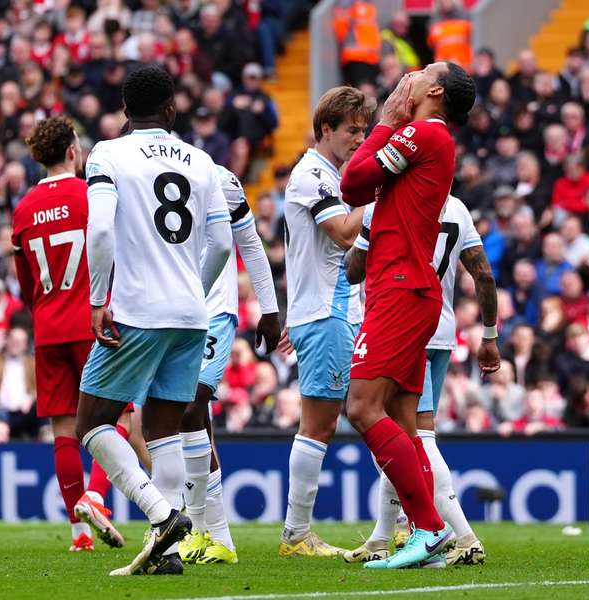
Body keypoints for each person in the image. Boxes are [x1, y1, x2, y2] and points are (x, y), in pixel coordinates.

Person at [76, 65, 232, 577]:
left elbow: (99, 233)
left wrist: (99, 299)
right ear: (171, 109)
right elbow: (224, 244)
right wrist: (195, 289)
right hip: (191, 314)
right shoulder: (203, 162)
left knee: (92, 420)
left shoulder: (108, 154)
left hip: (137, 310)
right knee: (164, 429)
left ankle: (162, 515)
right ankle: (164, 554)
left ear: (125, 111)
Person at [339, 63, 476, 570]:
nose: (407, 78)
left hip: (401, 288)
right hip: (406, 289)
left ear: (434, 91)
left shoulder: (422, 133)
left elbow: (352, 183)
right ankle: (429, 537)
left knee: (362, 408)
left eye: (420, 73)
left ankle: (432, 529)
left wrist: (386, 122)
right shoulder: (424, 138)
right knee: (402, 419)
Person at [343, 195, 499, 567]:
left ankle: (462, 535)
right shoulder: (459, 207)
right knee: (402, 432)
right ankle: (383, 536)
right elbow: (484, 276)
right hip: (441, 327)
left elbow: (353, 271)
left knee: (414, 437)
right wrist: (490, 335)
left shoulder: (389, 204)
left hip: (399, 321)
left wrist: (360, 230)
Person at [11, 116, 125, 553]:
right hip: (93, 321)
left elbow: (25, 283)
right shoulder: (89, 195)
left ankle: (78, 534)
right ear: (73, 151)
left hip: (48, 325)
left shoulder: (23, 208)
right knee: (115, 417)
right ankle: (95, 498)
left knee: (64, 428)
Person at [276, 86, 373, 558]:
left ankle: (393, 526)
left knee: (352, 415)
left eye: (364, 130)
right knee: (319, 424)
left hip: (335, 312)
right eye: (352, 130)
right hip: (327, 311)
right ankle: (296, 533)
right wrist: (383, 193)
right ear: (326, 130)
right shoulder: (311, 175)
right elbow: (341, 233)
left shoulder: (331, 175)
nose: (361, 138)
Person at [177, 166, 280, 566]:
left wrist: (269, 309)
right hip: (169, 311)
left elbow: (250, 243)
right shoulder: (139, 171)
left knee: (189, 406)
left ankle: (198, 530)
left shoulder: (217, 177)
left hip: (213, 309)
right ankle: (214, 538)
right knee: (189, 417)